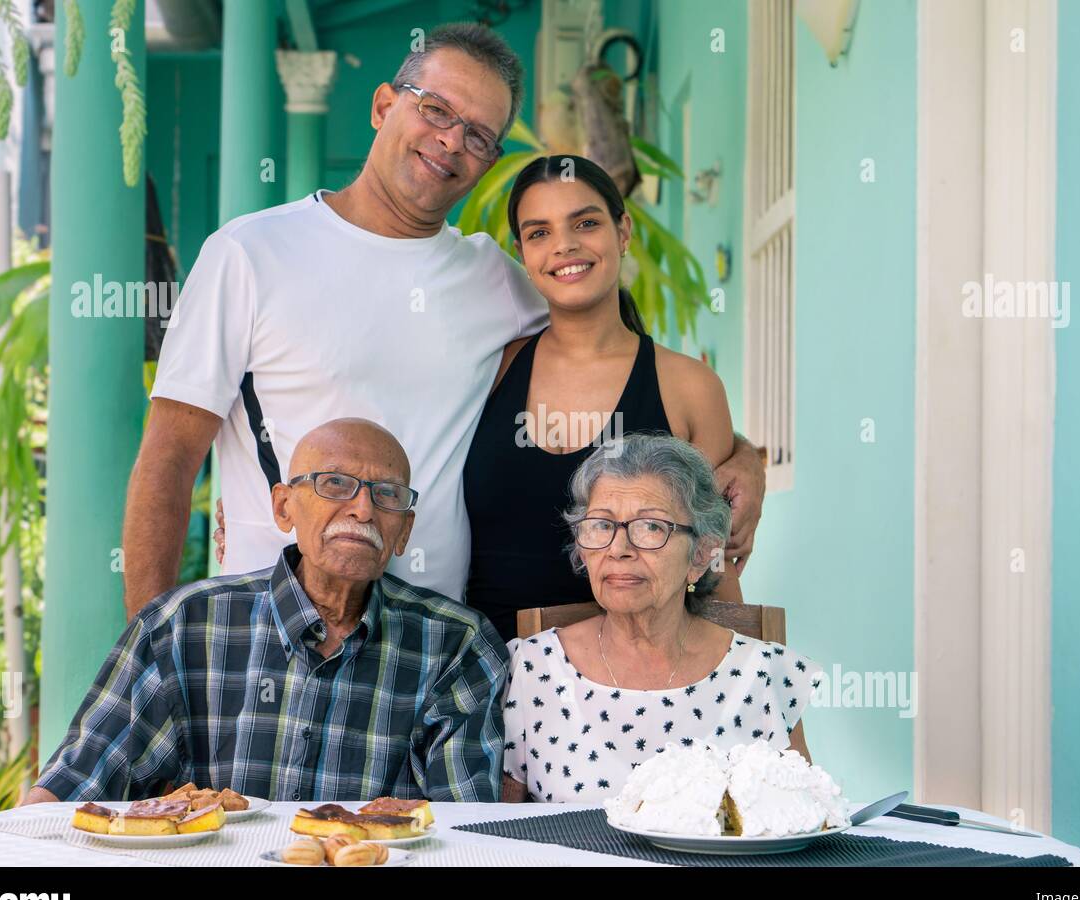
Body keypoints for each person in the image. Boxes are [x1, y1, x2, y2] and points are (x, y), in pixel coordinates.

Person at [131, 22, 767, 621]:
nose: (451, 141)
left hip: (433, 651)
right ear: (384, 107)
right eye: (434, 109)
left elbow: (607, 356)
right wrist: (150, 654)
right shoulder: (250, 254)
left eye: (479, 134)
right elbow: (167, 460)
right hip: (272, 624)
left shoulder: (495, 281)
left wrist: (742, 459)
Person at [25, 419, 507, 804]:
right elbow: (74, 785)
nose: (362, 509)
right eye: (334, 484)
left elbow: (459, 829)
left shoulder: (454, 643)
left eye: (387, 495)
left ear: (404, 531)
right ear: (283, 508)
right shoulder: (184, 625)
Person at [464, 154, 745, 640]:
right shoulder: (492, 368)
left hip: (634, 693)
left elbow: (714, 568)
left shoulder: (689, 387)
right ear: (522, 254)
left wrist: (758, 697)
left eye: (586, 223)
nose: (564, 246)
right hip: (491, 681)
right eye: (539, 233)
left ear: (623, 231)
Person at [500, 434, 821, 803]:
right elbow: (506, 831)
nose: (618, 550)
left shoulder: (765, 674)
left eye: (651, 527)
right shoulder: (532, 667)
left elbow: (803, 818)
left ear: (701, 555)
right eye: (601, 526)